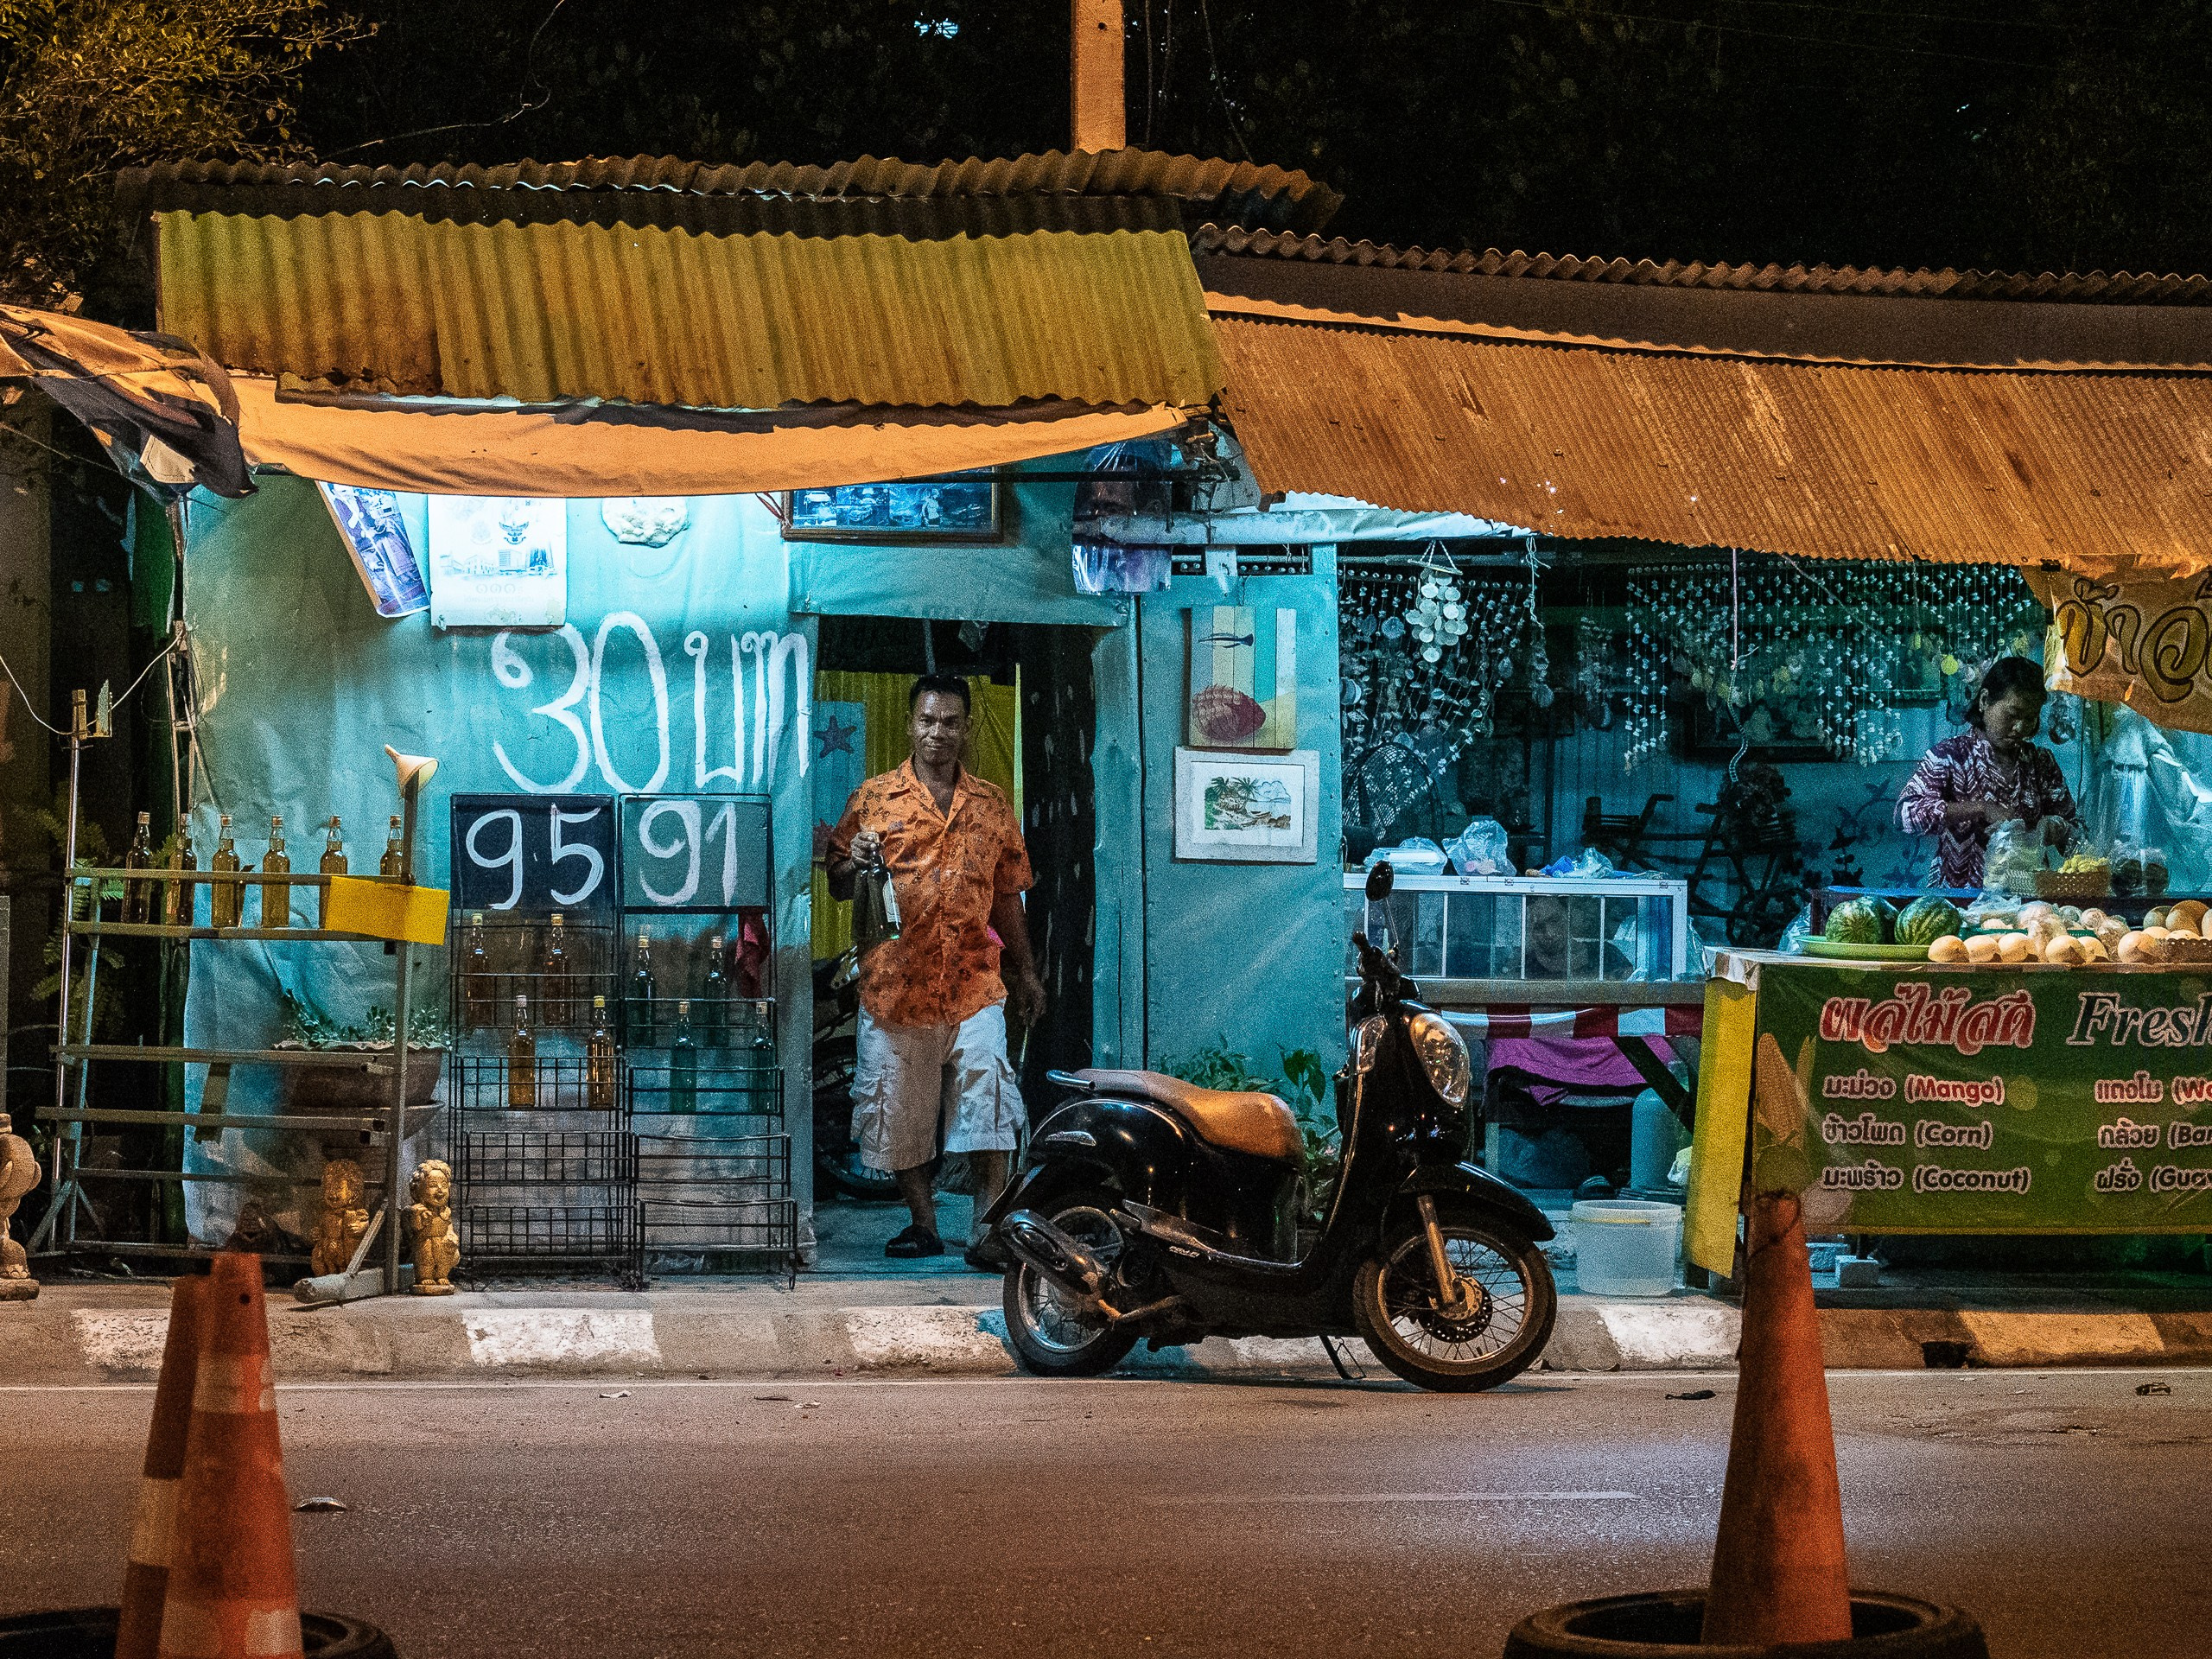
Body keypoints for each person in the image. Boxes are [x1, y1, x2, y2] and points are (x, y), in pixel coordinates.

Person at [826, 675, 1047, 1267]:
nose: (937, 732)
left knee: (990, 1104)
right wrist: (856, 859)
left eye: (950, 722)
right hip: (896, 988)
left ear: (967, 727)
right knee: (901, 1112)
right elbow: (839, 885)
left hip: (976, 984)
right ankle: (923, 1224)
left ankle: (985, 1230)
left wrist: (1027, 973)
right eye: (927, 720)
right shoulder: (875, 798)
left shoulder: (992, 805)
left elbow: (1007, 897)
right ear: (909, 724)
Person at [1897, 655, 2079, 888]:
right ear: (1984, 701)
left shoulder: (2041, 763)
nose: (2020, 727)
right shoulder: (1950, 757)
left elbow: (2078, 832)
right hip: (1959, 902)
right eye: (2012, 715)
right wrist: (1979, 808)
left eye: (2030, 718)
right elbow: (1906, 814)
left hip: (2028, 905)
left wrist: (2055, 828)